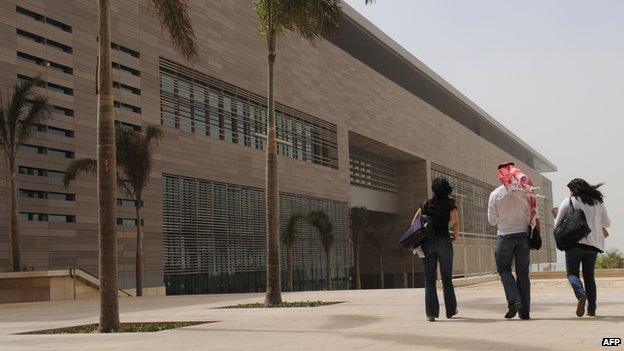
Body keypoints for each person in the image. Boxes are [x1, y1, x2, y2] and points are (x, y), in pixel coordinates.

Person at [488, 162, 538, 320]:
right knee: (523, 274)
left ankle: (514, 300)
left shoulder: (495, 194)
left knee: (504, 270)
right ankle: (525, 312)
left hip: (504, 236)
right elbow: (534, 215)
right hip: (523, 236)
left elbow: (492, 221)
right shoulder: (526, 191)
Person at [555, 178, 611, 317]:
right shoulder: (598, 202)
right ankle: (591, 309)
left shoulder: (569, 201)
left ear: (575, 189)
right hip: (593, 245)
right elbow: (607, 223)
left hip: (574, 243)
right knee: (589, 277)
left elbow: (557, 224)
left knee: (572, 274)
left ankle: (581, 295)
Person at [411, 177, 460, 322]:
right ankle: (451, 311)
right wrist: (455, 237)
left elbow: (414, 222)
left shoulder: (425, 204)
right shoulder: (450, 204)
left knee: (430, 278)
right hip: (444, 242)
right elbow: (455, 222)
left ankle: (431, 313)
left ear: (433, 189)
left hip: (427, 244)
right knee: (446, 278)